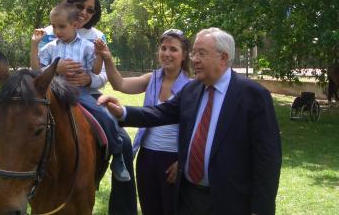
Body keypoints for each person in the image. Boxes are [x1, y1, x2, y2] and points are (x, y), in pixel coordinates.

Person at [99, 27, 282, 215]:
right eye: (194, 52)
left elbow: (268, 159)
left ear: (224, 58)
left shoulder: (253, 96)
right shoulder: (192, 90)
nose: (194, 59)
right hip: (187, 196)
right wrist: (122, 112)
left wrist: (261, 209)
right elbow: (159, 113)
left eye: (201, 53)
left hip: (229, 200)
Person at [31, 0, 130, 183]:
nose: (57, 31)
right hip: (55, 92)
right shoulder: (51, 47)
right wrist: (34, 46)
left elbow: (94, 70)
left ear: (75, 24)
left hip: (80, 93)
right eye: (54, 26)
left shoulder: (86, 45)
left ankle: (117, 157)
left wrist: (100, 55)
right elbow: (37, 71)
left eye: (62, 26)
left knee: (105, 116)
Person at [95, 28, 191, 215]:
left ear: (184, 54)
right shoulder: (152, 79)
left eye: (173, 49)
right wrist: (107, 58)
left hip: (173, 160)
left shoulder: (191, 87)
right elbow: (120, 84)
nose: (167, 54)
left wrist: (182, 160)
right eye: (163, 48)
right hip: (147, 156)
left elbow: (194, 131)